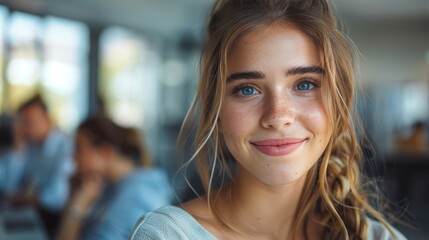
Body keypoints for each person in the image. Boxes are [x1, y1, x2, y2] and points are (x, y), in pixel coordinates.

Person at [130, 0, 407, 239]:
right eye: (247, 89)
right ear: (216, 111)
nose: (278, 117)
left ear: (339, 100)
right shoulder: (166, 236)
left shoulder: (379, 237)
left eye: (305, 85)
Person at [56, 115, 172, 240]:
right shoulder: (111, 187)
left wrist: (76, 209)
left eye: (79, 148)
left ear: (105, 152)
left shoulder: (133, 197)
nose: (73, 157)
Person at [0, 94, 74, 236]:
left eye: (30, 121)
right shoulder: (30, 147)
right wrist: (18, 147)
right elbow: (9, 185)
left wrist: (28, 199)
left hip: (57, 219)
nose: (26, 128)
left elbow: (57, 197)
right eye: (22, 122)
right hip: (34, 214)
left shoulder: (66, 147)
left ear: (48, 119)